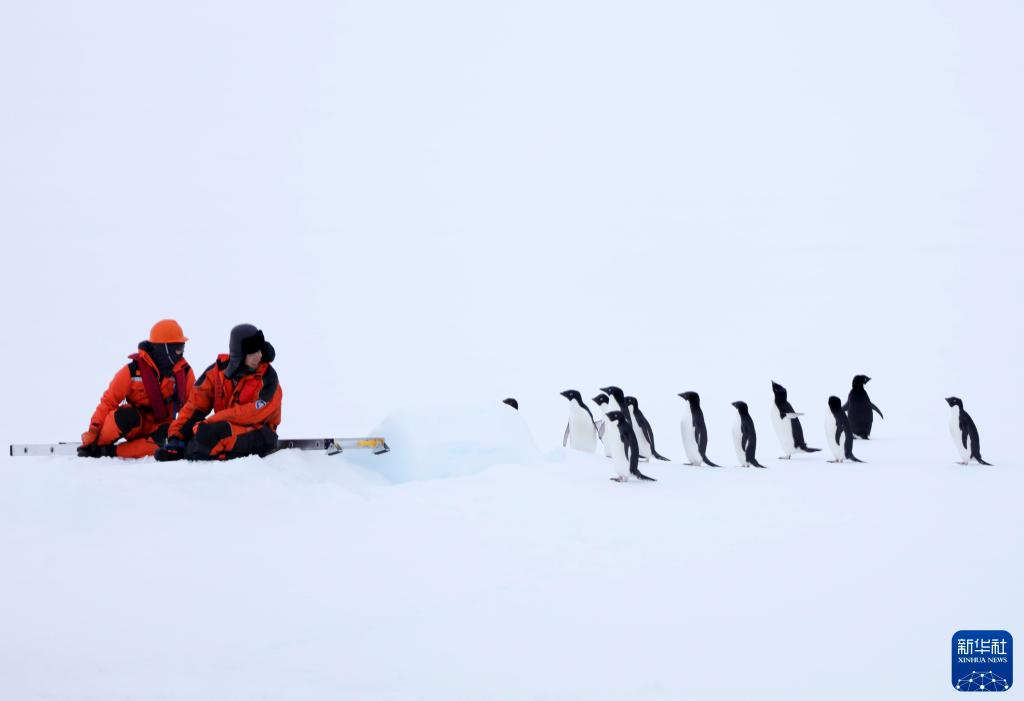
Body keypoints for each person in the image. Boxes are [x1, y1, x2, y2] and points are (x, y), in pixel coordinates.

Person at [156, 324, 282, 461]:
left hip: (261, 433)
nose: (257, 356)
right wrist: (176, 436)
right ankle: (183, 450)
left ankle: (194, 452)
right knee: (201, 433)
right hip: (227, 428)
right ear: (240, 353)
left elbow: (250, 414)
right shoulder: (218, 372)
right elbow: (195, 405)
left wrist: (210, 422)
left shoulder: (268, 378)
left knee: (209, 433)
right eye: (251, 352)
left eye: (259, 350)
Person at [78, 320, 195, 458]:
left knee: (168, 436)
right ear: (164, 349)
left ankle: (109, 451)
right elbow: (109, 401)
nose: (181, 352)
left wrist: (190, 434)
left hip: (160, 431)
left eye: (182, 347)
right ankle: (98, 444)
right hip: (134, 425)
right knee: (125, 416)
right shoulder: (132, 371)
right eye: (178, 348)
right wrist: (93, 430)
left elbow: (193, 407)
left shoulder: (184, 373)